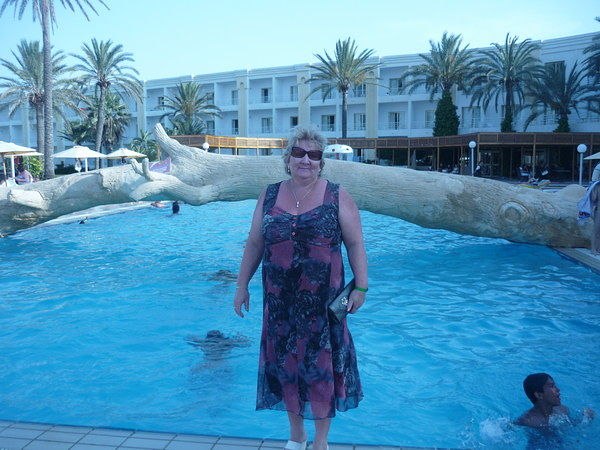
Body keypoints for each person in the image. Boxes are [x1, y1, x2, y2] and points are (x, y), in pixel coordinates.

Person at [233, 126, 368, 450]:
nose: (306, 160)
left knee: (321, 370)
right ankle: (297, 436)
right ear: (288, 157)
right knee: (286, 367)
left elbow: (355, 243)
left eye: (314, 154)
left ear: (321, 161)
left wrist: (361, 287)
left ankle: (320, 442)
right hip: (280, 304)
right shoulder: (269, 195)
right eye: (299, 152)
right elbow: (254, 243)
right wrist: (241, 285)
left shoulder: (337, 195)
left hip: (324, 306)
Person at [515, 373, 594, 428]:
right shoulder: (527, 421)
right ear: (539, 395)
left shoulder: (563, 410)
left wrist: (586, 418)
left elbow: (573, 425)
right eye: (552, 386)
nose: (558, 390)